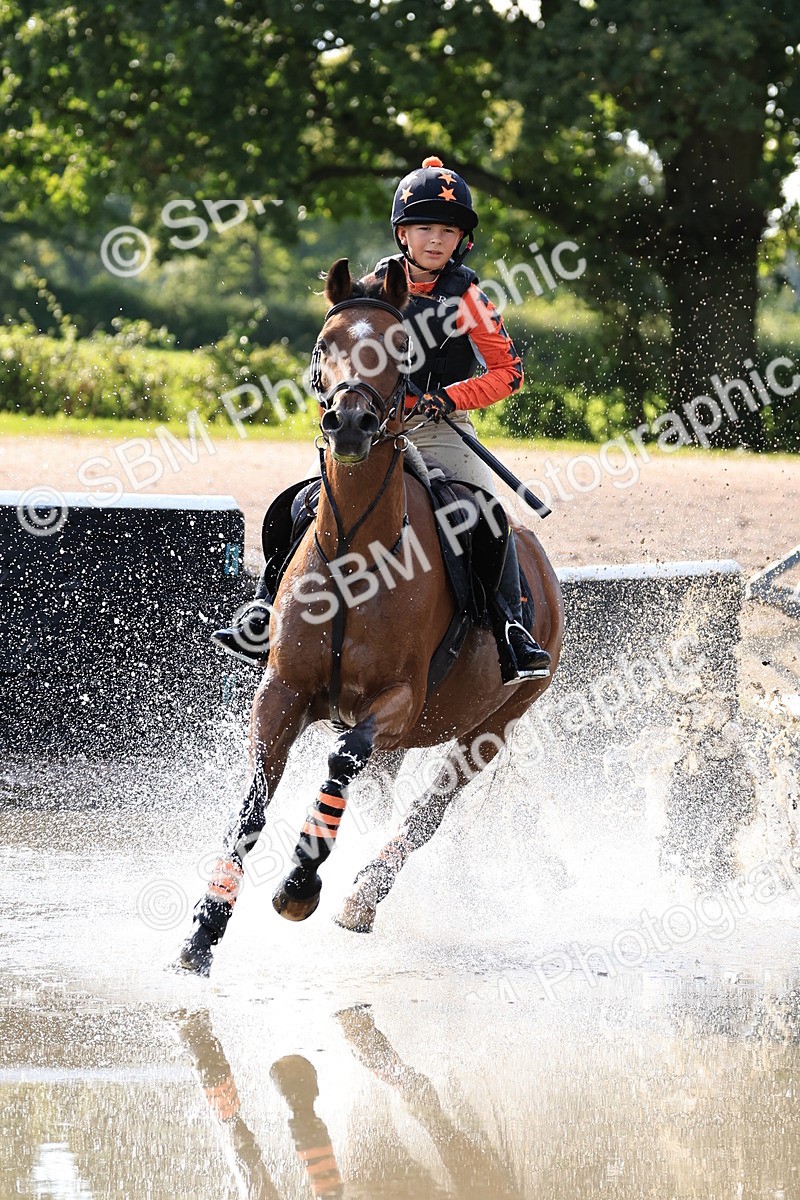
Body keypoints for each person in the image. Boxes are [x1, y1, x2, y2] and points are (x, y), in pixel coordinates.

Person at [214, 155, 550, 682]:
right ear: (402, 233)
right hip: (371, 427)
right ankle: (263, 612)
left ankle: (512, 630)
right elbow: (330, 358)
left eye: (447, 231)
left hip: (441, 431)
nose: (435, 240)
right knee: (298, 504)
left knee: (483, 514)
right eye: (424, 229)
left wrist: (447, 398)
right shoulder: (367, 292)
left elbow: (508, 373)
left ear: (461, 240)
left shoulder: (468, 299)